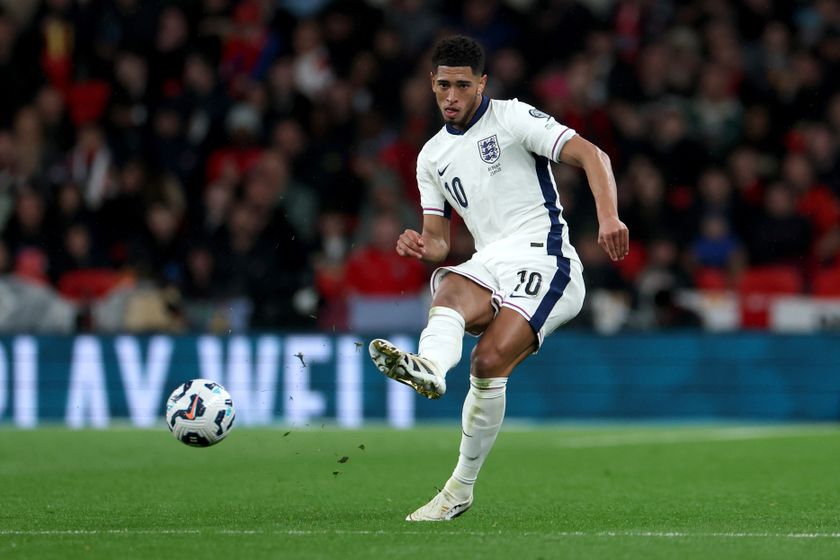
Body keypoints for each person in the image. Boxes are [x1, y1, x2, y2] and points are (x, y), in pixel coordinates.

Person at [368, 35, 629, 521]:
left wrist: (609, 217)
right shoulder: (431, 157)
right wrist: (421, 246)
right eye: (443, 86)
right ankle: (430, 366)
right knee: (449, 284)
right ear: (431, 82)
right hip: (489, 260)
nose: (451, 96)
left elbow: (594, 156)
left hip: (545, 258)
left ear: (482, 83)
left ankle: (458, 490)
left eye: (462, 86)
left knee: (487, 362)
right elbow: (440, 242)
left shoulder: (512, 117)